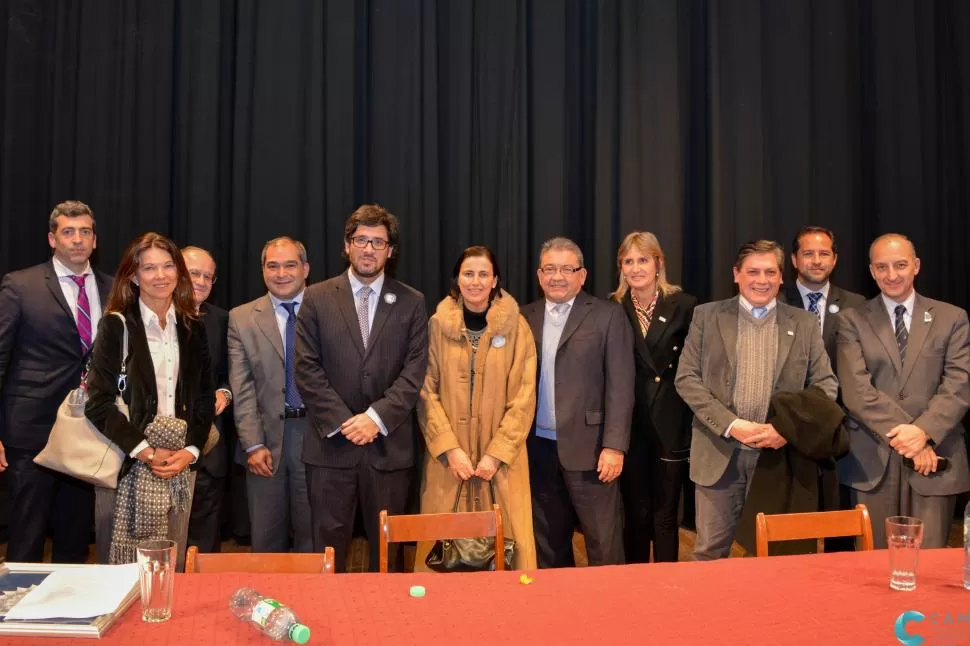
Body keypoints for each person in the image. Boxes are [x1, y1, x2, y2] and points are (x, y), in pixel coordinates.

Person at [675, 240, 837, 560]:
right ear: (736, 275)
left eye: (770, 272)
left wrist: (785, 429)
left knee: (773, 554)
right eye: (753, 272)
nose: (761, 280)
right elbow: (686, 379)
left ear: (781, 277)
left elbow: (826, 385)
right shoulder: (706, 316)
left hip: (777, 457)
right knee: (709, 552)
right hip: (719, 452)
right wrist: (731, 425)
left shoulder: (803, 324)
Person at [296, 204, 428, 572]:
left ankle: (390, 625)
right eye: (361, 240)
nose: (369, 249)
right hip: (330, 447)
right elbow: (306, 368)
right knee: (329, 554)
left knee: (389, 557)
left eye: (378, 242)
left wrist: (375, 418)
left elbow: (414, 371)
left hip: (388, 448)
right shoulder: (317, 297)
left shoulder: (411, 302)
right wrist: (345, 422)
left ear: (391, 250)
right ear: (347, 245)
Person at [85, 232, 214, 569]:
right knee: (119, 578)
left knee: (171, 570)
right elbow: (98, 403)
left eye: (168, 266)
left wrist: (191, 451)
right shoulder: (116, 326)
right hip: (126, 464)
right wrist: (145, 450)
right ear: (133, 275)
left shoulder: (192, 327)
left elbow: (203, 399)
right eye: (149, 268)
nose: (160, 276)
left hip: (180, 467)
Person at [837, 233, 970, 548]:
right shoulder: (851, 320)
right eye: (882, 267)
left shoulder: (952, 318)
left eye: (900, 265)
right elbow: (856, 391)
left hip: (935, 461)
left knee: (930, 567)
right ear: (871, 271)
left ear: (917, 266)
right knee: (871, 571)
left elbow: (959, 383)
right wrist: (911, 438)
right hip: (873, 461)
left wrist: (924, 432)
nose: (891, 275)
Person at [0, 200, 111, 563]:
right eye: (68, 232)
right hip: (31, 429)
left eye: (85, 232)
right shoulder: (21, 285)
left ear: (95, 240)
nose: (77, 240)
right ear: (52, 239)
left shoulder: (115, 290)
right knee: (27, 532)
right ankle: (17, 612)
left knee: (75, 535)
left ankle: (69, 613)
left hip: (87, 431)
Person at [417, 246, 538, 570]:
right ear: (457, 279)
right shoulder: (436, 327)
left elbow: (525, 397)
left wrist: (496, 453)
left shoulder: (517, 328)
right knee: (439, 561)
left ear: (495, 279)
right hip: (448, 465)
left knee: (507, 563)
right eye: (468, 273)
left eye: (483, 274)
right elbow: (425, 393)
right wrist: (449, 449)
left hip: (502, 466)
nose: (475, 281)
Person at [521, 237, 634, 568]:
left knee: (603, 542)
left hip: (593, 450)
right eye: (550, 269)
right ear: (539, 275)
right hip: (537, 449)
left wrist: (614, 446)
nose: (558, 276)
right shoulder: (522, 316)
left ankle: (609, 610)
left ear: (582, 275)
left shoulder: (607, 315)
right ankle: (558, 610)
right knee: (548, 543)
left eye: (567, 269)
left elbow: (621, 385)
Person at [611, 232, 697, 563]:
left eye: (643, 259)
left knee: (665, 515)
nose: (636, 268)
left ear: (658, 263)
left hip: (670, 423)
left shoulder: (685, 305)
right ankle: (634, 588)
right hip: (630, 425)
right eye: (628, 261)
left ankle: (667, 586)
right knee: (635, 514)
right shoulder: (612, 307)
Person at [227, 237, 314, 553]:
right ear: (262, 270)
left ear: (305, 269)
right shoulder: (241, 318)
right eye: (272, 266)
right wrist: (252, 443)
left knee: (314, 542)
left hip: (318, 439)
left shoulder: (329, 310)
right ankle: (269, 603)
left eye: (290, 265)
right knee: (266, 543)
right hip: (264, 443)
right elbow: (243, 386)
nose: (281, 273)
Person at [182, 246, 233, 553]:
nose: (200, 282)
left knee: (204, 548)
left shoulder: (224, 320)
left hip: (208, 451)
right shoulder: (147, 316)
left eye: (208, 277)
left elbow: (233, 373)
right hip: (157, 455)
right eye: (193, 274)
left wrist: (225, 392)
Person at [781, 226, 865, 371]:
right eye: (808, 254)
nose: (817, 261)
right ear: (794, 260)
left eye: (824, 254)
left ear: (834, 260)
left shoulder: (855, 305)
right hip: (789, 393)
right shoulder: (777, 302)